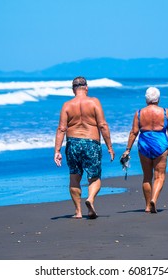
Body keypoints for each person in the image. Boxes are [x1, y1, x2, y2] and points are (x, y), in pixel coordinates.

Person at [54, 76, 115, 219]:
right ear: (86, 88)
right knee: (94, 177)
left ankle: (78, 212)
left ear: (73, 89)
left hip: (73, 143)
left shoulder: (67, 105)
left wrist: (57, 150)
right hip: (91, 143)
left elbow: (61, 129)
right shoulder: (94, 102)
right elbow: (102, 125)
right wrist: (109, 147)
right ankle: (91, 198)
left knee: (74, 177)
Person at [121, 87, 168, 213]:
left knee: (147, 177)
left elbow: (134, 132)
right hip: (160, 144)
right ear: (158, 99)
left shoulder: (139, 113)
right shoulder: (165, 112)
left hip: (144, 144)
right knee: (159, 176)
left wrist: (127, 149)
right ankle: (154, 200)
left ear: (146, 99)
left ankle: (147, 206)